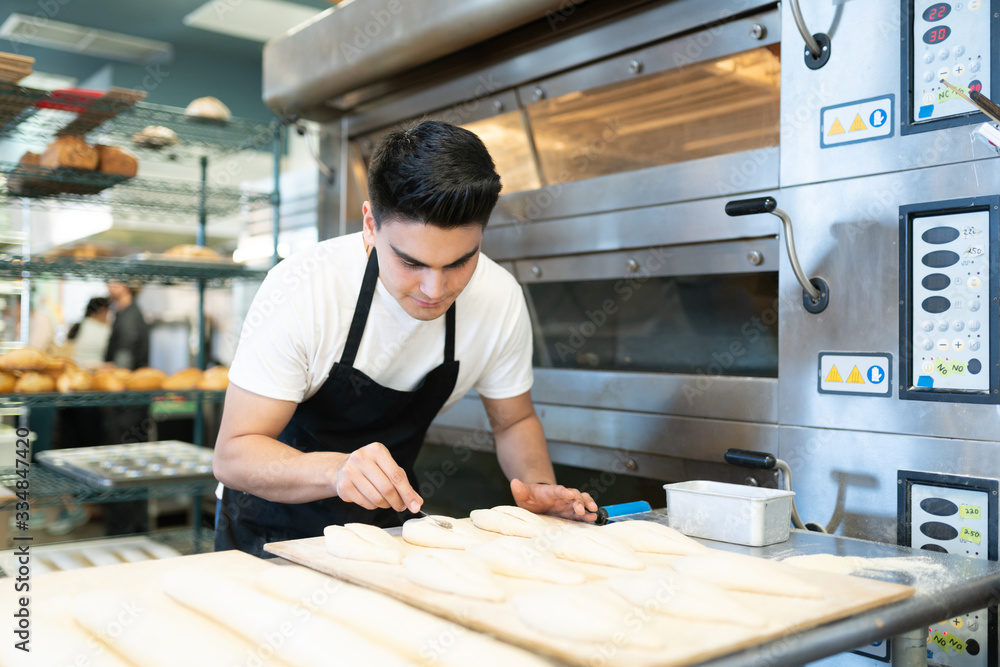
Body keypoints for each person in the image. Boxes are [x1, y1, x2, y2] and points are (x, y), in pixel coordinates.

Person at [214, 121, 598, 557]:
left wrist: (539, 487)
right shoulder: (303, 287)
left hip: (387, 536)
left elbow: (513, 421)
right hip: (268, 531)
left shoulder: (498, 297)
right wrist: (338, 470)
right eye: (410, 262)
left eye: (459, 262)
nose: (434, 290)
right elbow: (233, 455)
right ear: (370, 225)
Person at [102, 280, 151, 535]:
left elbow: (123, 365)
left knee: (127, 469)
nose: (109, 285)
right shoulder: (123, 313)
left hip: (128, 410)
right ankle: (128, 528)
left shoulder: (131, 317)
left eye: (114, 281)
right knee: (126, 468)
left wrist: (99, 369)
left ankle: (127, 530)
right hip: (124, 407)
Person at [69, 296, 111, 368]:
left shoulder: (81, 324)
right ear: (103, 310)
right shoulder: (104, 329)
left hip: (76, 367)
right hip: (96, 370)